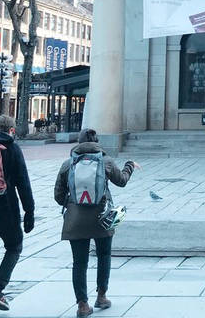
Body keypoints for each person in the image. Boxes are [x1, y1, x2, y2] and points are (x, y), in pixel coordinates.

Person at [55, 129, 138, 317]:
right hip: (102, 217)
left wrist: (74, 203)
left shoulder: (68, 164)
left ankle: (82, 305)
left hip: (75, 220)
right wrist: (129, 165)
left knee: (79, 262)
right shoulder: (105, 161)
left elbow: (58, 195)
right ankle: (101, 296)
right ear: (97, 142)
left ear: (79, 142)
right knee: (104, 255)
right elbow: (122, 181)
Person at [0, 115, 35, 316]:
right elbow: (23, 182)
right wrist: (30, 211)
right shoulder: (12, 148)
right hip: (7, 209)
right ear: (11, 130)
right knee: (14, 246)